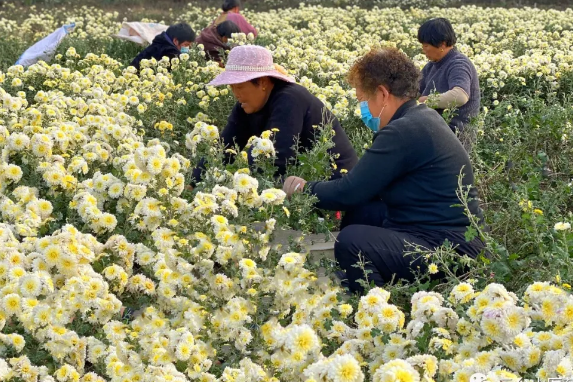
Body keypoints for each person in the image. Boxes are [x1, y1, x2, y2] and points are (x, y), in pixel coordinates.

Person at [283, 47, 485, 294]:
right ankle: (359, 276)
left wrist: (303, 188)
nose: (364, 109)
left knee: (352, 241)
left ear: (382, 93)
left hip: (448, 252)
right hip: (450, 239)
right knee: (364, 211)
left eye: (364, 100)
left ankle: (373, 304)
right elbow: (364, 187)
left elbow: (349, 191)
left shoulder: (403, 130)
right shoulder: (420, 117)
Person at [194, 45, 358, 181]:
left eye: (240, 87)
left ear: (263, 82)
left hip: (334, 180)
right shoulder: (246, 105)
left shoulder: (289, 99)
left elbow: (277, 158)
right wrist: (194, 183)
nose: (236, 93)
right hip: (302, 179)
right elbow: (224, 147)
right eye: (232, 87)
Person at [417, 18, 480, 153]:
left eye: (426, 46)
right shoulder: (431, 67)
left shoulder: (458, 63)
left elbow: (460, 96)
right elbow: (414, 91)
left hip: (456, 139)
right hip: (436, 134)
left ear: (442, 44)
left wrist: (426, 101)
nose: (424, 50)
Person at [130, 23, 196, 70]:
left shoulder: (159, 43)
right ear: (175, 41)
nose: (188, 48)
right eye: (186, 44)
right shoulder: (170, 53)